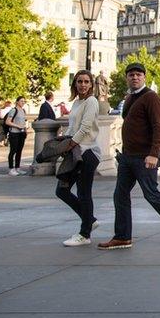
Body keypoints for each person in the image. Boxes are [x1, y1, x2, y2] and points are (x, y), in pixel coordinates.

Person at [98, 62, 160, 250]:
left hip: (144, 157)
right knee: (120, 195)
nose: (135, 77)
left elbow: (159, 128)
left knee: (151, 194)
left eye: (138, 74)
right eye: (131, 75)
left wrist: (153, 154)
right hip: (127, 156)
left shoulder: (151, 97)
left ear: (144, 77)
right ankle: (122, 236)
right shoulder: (130, 98)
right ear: (127, 78)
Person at [58, 71, 102, 246]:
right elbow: (72, 127)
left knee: (84, 193)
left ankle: (85, 234)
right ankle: (89, 219)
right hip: (76, 151)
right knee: (61, 190)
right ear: (75, 84)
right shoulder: (77, 102)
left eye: (86, 82)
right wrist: (63, 144)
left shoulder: (92, 101)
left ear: (91, 85)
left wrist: (69, 145)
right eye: (79, 81)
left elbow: (84, 128)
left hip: (88, 152)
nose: (83, 85)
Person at [4, 97, 29, 176]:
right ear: (17, 102)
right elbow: (7, 122)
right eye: (21, 101)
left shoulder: (23, 111)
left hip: (21, 133)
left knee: (19, 151)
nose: (23, 102)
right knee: (13, 150)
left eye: (24, 101)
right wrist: (17, 126)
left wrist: (25, 130)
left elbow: (24, 122)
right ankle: (11, 169)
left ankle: (17, 167)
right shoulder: (13, 110)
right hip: (14, 133)